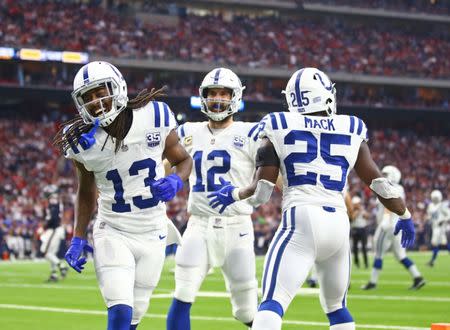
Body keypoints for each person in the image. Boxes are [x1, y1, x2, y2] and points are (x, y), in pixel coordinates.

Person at [208, 67, 416, 330]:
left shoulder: (277, 124)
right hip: (338, 223)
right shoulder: (351, 126)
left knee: (272, 302)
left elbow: (262, 191)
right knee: (338, 309)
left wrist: (234, 194)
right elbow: (379, 183)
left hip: (302, 220)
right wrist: (404, 214)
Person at [53, 61, 192, 330]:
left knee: (134, 316)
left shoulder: (155, 116)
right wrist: (78, 236)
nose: (96, 101)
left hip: (153, 231)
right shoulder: (81, 142)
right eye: (88, 97)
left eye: (100, 91)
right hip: (114, 231)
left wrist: (176, 180)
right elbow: (86, 191)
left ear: (118, 88)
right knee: (119, 311)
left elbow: (184, 160)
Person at [166, 67, 260, 330]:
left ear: (235, 97)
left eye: (224, 93)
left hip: (238, 227)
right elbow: (162, 166)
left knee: (246, 311)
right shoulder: (188, 131)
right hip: (199, 225)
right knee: (182, 294)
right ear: (203, 97)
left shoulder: (251, 133)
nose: (218, 99)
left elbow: (274, 178)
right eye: (213, 93)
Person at [361, 165, 425, 290]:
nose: (383, 175)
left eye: (386, 174)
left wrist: (385, 220)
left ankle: (373, 282)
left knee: (378, 254)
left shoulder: (390, 187)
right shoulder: (400, 188)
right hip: (398, 225)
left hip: (388, 225)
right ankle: (417, 277)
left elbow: (388, 204)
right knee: (401, 255)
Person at [39, 185, 69, 282]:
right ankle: (54, 274)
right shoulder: (55, 202)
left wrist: (44, 227)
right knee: (51, 253)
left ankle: (62, 266)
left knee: (45, 252)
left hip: (54, 229)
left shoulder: (53, 202)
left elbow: (53, 218)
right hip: (55, 229)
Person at [426, 189, 450, 267]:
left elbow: (449, 215)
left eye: (436, 198)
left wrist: (443, 220)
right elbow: (430, 215)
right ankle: (432, 261)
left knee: (436, 244)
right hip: (434, 227)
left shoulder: (442, 205)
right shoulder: (430, 206)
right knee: (443, 243)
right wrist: (428, 218)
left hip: (441, 227)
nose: (435, 199)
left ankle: (432, 261)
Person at [350, 196, 369, 269]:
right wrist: (357, 212)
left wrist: (362, 212)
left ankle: (366, 263)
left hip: (363, 229)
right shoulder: (352, 210)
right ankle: (357, 263)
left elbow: (367, 216)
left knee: (364, 247)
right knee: (355, 248)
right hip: (355, 229)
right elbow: (352, 217)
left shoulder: (362, 209)